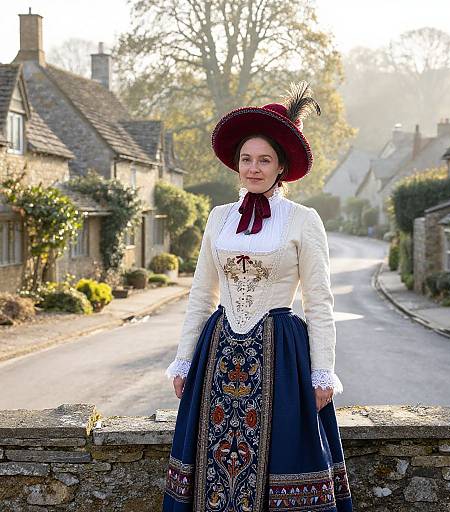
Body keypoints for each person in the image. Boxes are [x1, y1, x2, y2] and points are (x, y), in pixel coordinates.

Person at [161, 81, 353, 512]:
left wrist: (322, 372)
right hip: (220, 350)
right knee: (213, 460)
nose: (253, 168)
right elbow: (200, 294)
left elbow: (320, 302)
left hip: (281, 353)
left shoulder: (304, 220)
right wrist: (183, 359)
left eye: (264, 159)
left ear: (281, 166)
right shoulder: (220, 217)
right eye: (246, 159)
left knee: (282, 452)